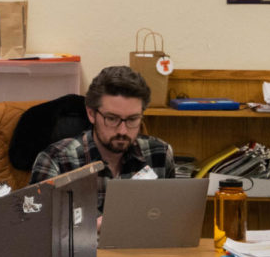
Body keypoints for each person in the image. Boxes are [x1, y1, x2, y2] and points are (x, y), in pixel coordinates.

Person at [30, 65, 175, 214]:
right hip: (83, 238)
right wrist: (93, 226)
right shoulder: (56, 160)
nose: (122, 131)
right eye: (112, 119)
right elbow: (37, 227)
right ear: (91, 114)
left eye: (132, 119)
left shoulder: (160, 154)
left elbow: (169, 218)